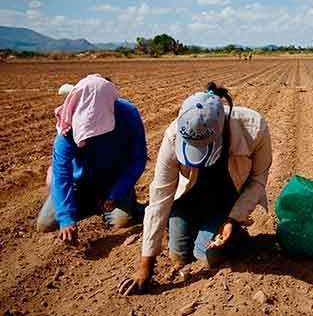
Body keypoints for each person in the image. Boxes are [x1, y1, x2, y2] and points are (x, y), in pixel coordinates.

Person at [118, 82, 272, 296]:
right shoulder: (173, 136)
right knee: (179, 255)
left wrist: (233, 219)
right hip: (188, 201)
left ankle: (236, 234)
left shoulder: (254, 128)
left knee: (207, 255)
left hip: (226, 204)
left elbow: (257, 180)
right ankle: (191, 226)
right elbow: (160, 197)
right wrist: (145, 266)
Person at [36, 74, 147, 243]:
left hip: (113, 180)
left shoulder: (128, 114)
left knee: (122, 222)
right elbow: (62, 171)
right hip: (79, 184)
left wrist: (116, 193)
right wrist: (66, 218)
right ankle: (85, 204)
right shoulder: (70, 121)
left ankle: (111, 203)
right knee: (45, 225)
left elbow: (138, 159)